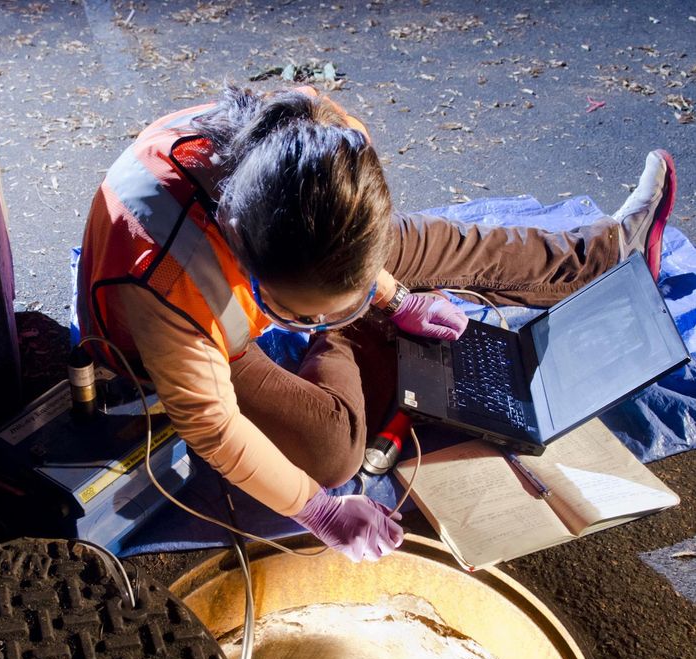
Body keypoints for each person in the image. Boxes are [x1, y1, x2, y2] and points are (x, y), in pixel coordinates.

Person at [77, 85, 676, 562]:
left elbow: (355, 259)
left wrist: (388, 295)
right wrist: (317, 510)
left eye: (349, 300)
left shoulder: (325, 138)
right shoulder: (171, 284)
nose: (351, 302)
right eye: (308, 313)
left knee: (416, 242)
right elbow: (212, 427)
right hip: (182, 336)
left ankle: (608, 250)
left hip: (291, 256)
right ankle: (340, 331)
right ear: (247, 263)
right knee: (333, 455)